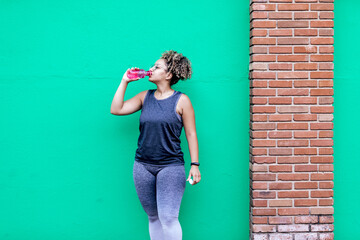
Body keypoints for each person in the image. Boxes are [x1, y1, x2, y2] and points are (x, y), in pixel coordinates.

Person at [110, 50, 201, 240]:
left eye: (157, 67)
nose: (151, 69)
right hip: (142, 166)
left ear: (168, 75)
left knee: (168, 218)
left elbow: (191, 133)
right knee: (153, 217)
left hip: (171, 166)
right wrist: (124, 81)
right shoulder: (145, 96)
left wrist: (195, 165)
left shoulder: (181, 100)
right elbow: (116, 109)